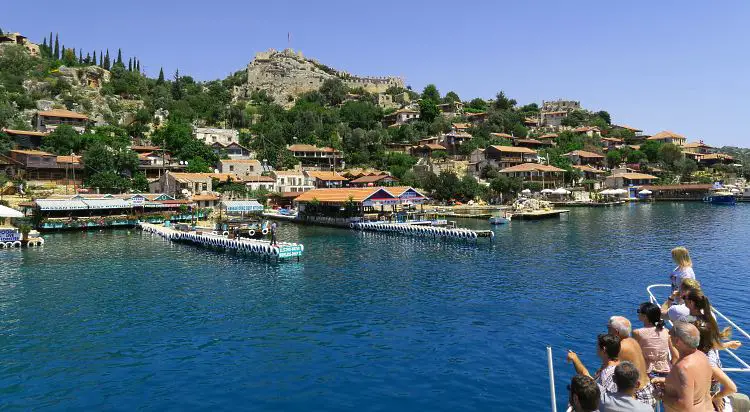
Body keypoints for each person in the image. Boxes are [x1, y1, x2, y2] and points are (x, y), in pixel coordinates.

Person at [653, 322, 713, 412]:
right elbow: (695, 384)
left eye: (671, 335)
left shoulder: (683, 367)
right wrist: (668, 382)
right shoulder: (702, 356)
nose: (669, 337)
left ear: (677, 341)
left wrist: (661, 395)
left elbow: (684, 405)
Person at [607, 316, 656, 408]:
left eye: (609, 328)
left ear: (616, 332)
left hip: (639, 394)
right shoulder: (633, 341)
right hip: (647, 389)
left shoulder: (621, 347)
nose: (607, 331)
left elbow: (608, 368)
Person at [695, 322, 740, 412]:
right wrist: (730, 344)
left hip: (706, 398)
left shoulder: (708, 364)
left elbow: (732, 388)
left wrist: (716, 397)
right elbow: (716, 346)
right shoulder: (708, 348)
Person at [633, 302, 673, 377]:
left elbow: (635, 354)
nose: (638, 313)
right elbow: (675, 355)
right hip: (666, 371)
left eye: (639, 311)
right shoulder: (666, 332)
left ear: (645, 316)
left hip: (647, 372)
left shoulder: (637, 332)